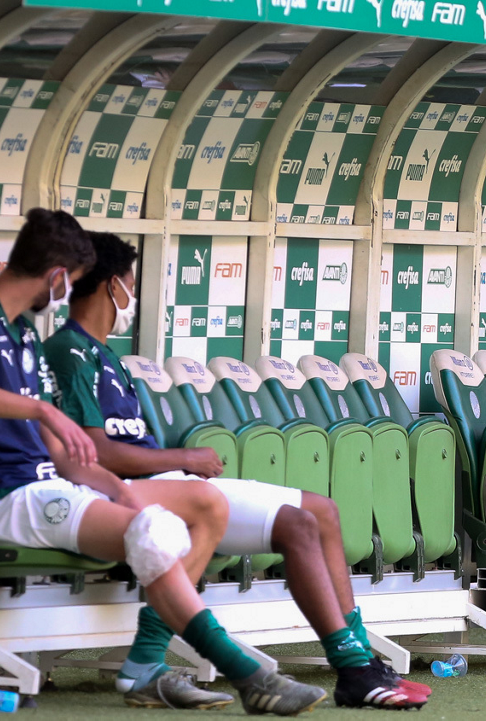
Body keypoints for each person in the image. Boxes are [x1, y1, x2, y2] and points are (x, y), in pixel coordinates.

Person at [0, 209, 327, 715]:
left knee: (204, 505)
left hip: (49, 486)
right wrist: (43, 409)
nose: (68, 293)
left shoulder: (22, 331)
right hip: (1, 499)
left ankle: (145, 665)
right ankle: (250, 676)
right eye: (71, 281)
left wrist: (114, 487)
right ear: (56, 276)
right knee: (153, 530)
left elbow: (59, 455)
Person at [43, 231, 429, 709]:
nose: (133, 296)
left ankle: (362, 660)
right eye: (131, 284)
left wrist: (179, 465)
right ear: (111, 285)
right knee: (298, 525)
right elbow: (97, 453)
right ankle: (352, 669)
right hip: (126, 494)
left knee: (323, 511)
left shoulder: (105, 352)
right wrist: (183, 458)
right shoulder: (68, 350)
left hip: (166, 484)